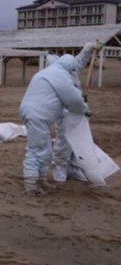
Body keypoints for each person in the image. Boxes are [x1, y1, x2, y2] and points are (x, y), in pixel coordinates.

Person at [19, 54, 90, 195]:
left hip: (34, 113)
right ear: (70, 67)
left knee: (45, 149)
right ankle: (31, 184)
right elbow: (73, 99)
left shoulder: (48, 72)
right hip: (37, 115)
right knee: (37, 149)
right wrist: (85, 110)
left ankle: (40, 180)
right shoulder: (60, 75)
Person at [50, 40, 103, 183]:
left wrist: (88, 48)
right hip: (64, 112)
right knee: (63, 140)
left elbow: (80, 61)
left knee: (78, 139)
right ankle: (59, 168)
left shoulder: (71, 70)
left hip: (77, 111)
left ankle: (73, 168)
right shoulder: (55, 76)